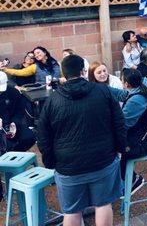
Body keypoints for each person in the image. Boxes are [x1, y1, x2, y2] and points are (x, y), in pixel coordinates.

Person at [37, 54, 126, 226]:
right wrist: (120, 148)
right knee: (103, 204)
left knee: (71, 210)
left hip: (69, 165)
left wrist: (50, 161)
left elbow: (43, 135)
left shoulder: (52, 101)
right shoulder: (103, 91)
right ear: (83, 71)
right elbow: (119, 123)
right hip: (102, 160)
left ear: (63, 73)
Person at [118, 69, 147, 193]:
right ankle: (123, 181)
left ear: (126, 83)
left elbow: (124, 124)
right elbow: (121, 94)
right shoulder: (142, 87)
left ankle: (133, 179)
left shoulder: (137, 99)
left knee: (114, 153)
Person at [0, 71, 36, 151]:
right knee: (4, 145)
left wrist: (15, 122)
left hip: (10, 123)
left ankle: (14, 154)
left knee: (30, 137)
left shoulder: (13, 92)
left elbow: (20, 110)